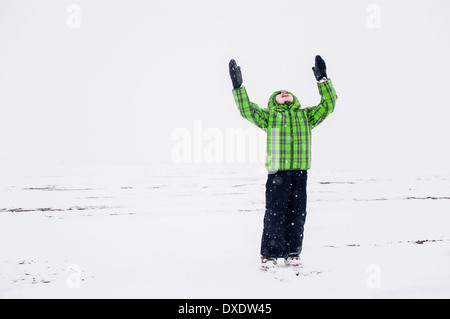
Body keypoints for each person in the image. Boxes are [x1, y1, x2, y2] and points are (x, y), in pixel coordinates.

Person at [229, 56, 338, 271]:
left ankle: (292, 252)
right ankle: (269, 255)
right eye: (279, 93)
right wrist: (238, 86)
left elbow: (328, 105)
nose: (284, 92)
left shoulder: (305, 116)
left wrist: (323, 80)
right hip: (277, 173)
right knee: (275, 214)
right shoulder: (269, 117)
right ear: (273, 100)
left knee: (297, 214)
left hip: (299, 173)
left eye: (287, 92)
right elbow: (247, 110)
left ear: (294, 99)